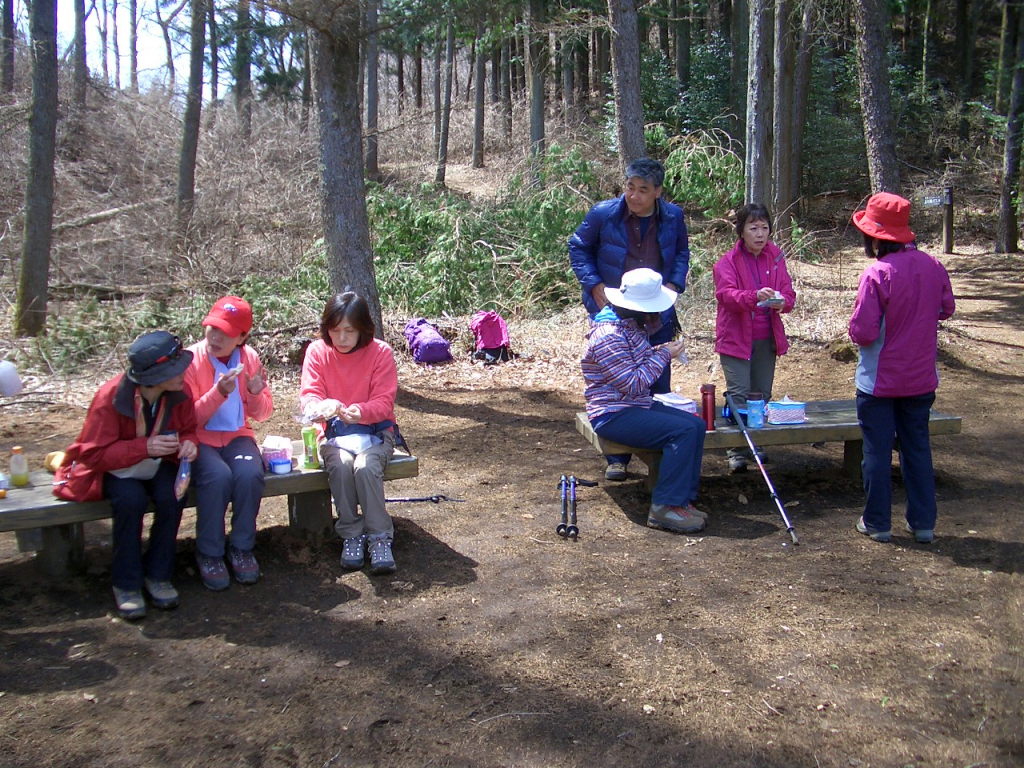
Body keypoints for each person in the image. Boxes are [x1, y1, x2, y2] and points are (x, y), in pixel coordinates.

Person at [53, 331, 198, 620]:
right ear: (152, 377)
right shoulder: (110, 397)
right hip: (116, 469)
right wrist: (143, 446)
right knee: (130, 501)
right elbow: (92, 454)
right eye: (175, 369)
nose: (184, 372)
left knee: (172, 496)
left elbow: (189, 428)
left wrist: (189, 443)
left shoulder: (181, 391)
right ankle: (127, 584)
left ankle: (159, 575)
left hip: (158, 464)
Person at [569, 157, 690, 483]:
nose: (634, 196)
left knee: (656, 379)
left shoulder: (673, 217)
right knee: (615, 383)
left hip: (656, 308)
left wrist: (673, 285)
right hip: (614, 308)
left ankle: (662, 456)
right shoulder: (603, 213)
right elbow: (578, 247)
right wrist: (593, 284)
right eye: (629, 187)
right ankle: (617, 457)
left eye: (643, 190)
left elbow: (681, 254)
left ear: (658, 193)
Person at [849, 192, 955, 544]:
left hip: (879, 383)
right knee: (917, 448)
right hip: (921, 378)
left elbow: (862, 332)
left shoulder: (877, 274)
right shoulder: (933, 266)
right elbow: (946, 308)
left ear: (874, 236)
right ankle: (923, 523)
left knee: (877, 451)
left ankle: (877, 522)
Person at [581, 268, 708, 534]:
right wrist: (663, 357)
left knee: (695, 425)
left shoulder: (627, 326)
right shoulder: (608, 336)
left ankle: (681, 500)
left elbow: (633, 364)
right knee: (682, 431)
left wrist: (658, 351)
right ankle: (664, 507)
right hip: (612, 414)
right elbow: (631, 383)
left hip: (634, 406)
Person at [299, 291, 400, 574]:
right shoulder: (317, 352)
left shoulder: (380, 352)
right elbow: (308, 397)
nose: (341, 338)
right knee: (342, 466)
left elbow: (384, 402)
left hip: (375, 432)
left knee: (366, 468)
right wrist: (320, 408)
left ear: (362, 329)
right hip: (333, 434)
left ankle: (380, 538)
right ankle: (351, 534)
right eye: (334, 330)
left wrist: (360, 411)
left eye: (349, 331)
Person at [184, 296, 274, 590]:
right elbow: (187, 420)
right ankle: (210, 552)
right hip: (200, 439)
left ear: (242, 337)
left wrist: (256, 393)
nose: (215, 337)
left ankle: (241, 547)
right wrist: (217, 393)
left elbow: (263, 415)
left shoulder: (249, 359)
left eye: (225, 332)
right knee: (218, 476)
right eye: (212, 328)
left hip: (238, 436)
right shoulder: (190, 360)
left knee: (250, 474)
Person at [713, 203, 797, 473]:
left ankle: (755, 443)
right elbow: (725, 295)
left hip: (766, 337)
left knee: (761, 394)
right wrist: (753, 296)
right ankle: (736, 450)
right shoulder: (727, 262)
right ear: (741, 231)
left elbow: (789, 294)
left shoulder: (776, 257)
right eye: (753, 227)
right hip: (735, 337)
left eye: (764, 227)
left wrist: (781, 301)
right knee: (738, 394)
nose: (760, 234)